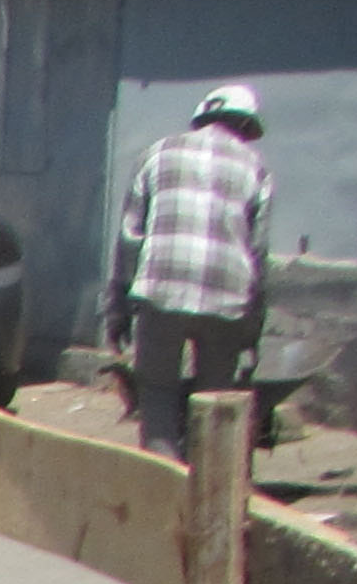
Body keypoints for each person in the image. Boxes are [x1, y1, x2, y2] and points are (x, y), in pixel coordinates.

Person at [106, 83, 270, 459]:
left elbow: (131, 238)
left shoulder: (157, 153)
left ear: (202, 119)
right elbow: (258, 253)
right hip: (226, 298)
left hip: (161, 290)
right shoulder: (257, 168)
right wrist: (253, 325)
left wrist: (118, 307)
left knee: (158, 393)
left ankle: (162, 489)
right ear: (245, 127)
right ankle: (211, 494)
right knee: (215, 403)